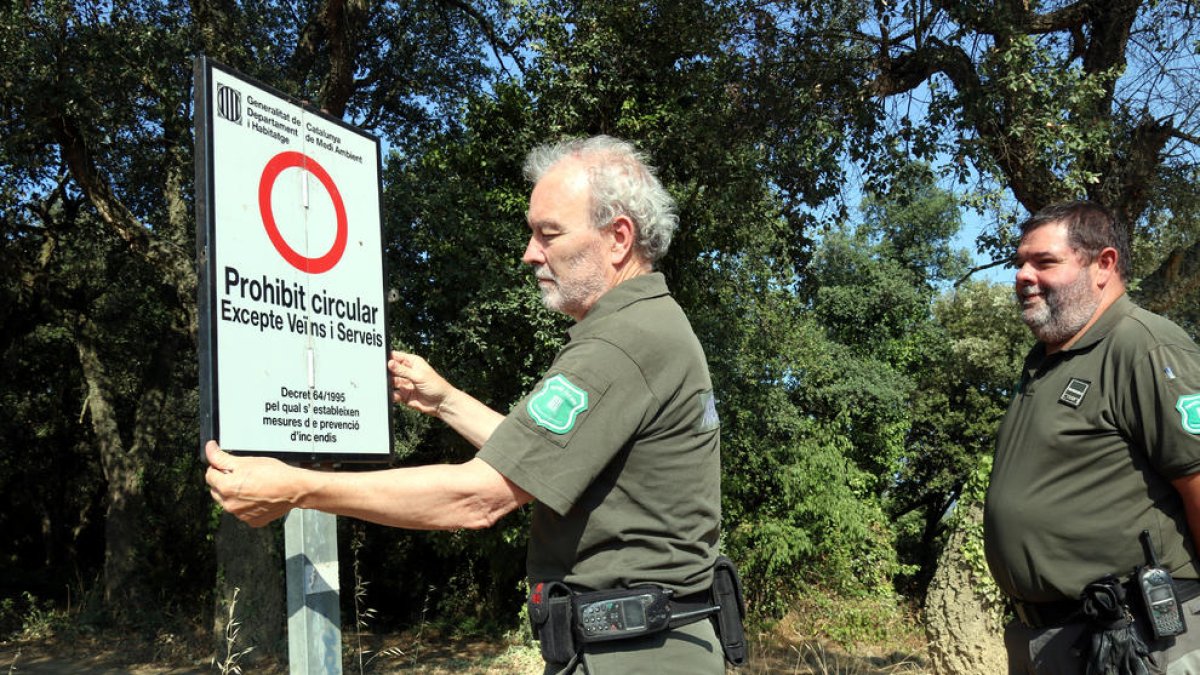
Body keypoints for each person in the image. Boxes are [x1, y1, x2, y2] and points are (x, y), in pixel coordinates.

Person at [205, 135, 732, 673]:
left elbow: (478, 499)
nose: (530, 253)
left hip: (635, 654)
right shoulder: (649, 323)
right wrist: (447, 402)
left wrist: (300, 488)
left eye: (548, 234)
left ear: (618, 237)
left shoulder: (619, 343)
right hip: (647, 646)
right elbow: (538, 459)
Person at [984, 200, 1200, 673]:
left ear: (1103, 265)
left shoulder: (1142, 345)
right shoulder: (1048, 358)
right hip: (1050, 638)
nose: (1022, 275)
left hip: (1136, 639)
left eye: (1044, 262)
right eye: (1019, 262)